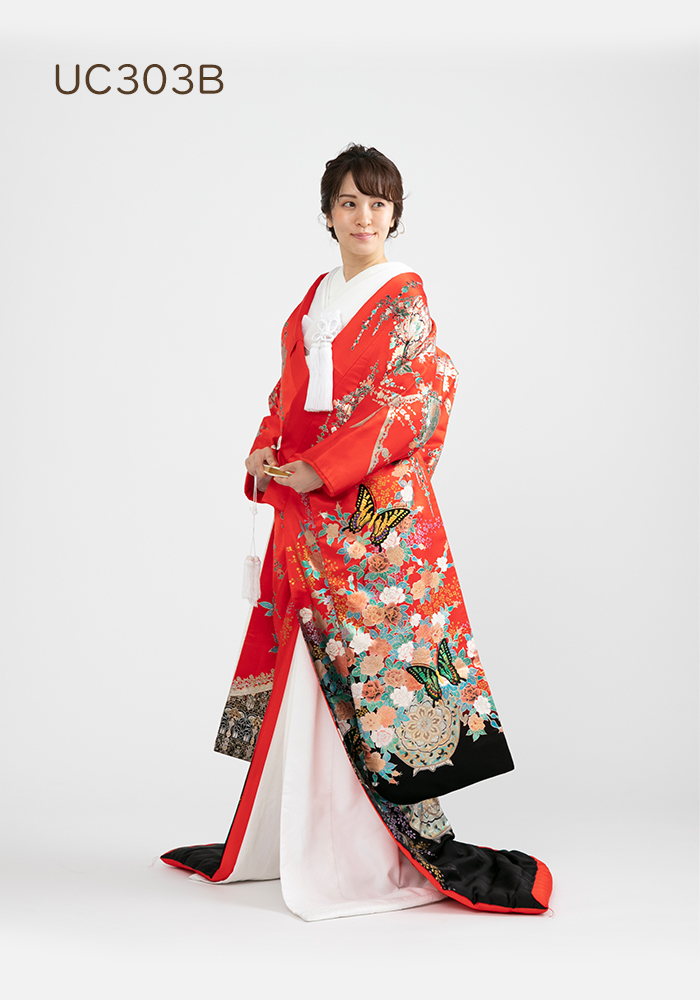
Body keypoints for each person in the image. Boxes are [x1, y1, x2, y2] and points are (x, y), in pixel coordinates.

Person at [161, 144, 552, 919]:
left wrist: (325, 467)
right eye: (348, 202)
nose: (363, 216)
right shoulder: (317, 296)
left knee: (373, 678)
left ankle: (367, 853)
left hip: (369, 522)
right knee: (309, 671)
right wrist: (266, 449)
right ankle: (302, 837)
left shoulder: (405, 301)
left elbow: (414, 403)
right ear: (328, 214)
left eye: (377, 203)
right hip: (308, 512)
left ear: (395, 215)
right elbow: (287, 394)